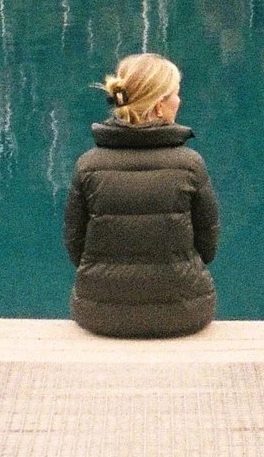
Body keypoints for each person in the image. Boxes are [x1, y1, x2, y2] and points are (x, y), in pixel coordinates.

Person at [64, 53, 219, 337]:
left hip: (98, 313)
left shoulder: (88, 165)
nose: (179, 101)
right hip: (184, 313)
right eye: (175, 94)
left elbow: (76, 247)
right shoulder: (190, 164)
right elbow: (208, 248)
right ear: (160, 105)